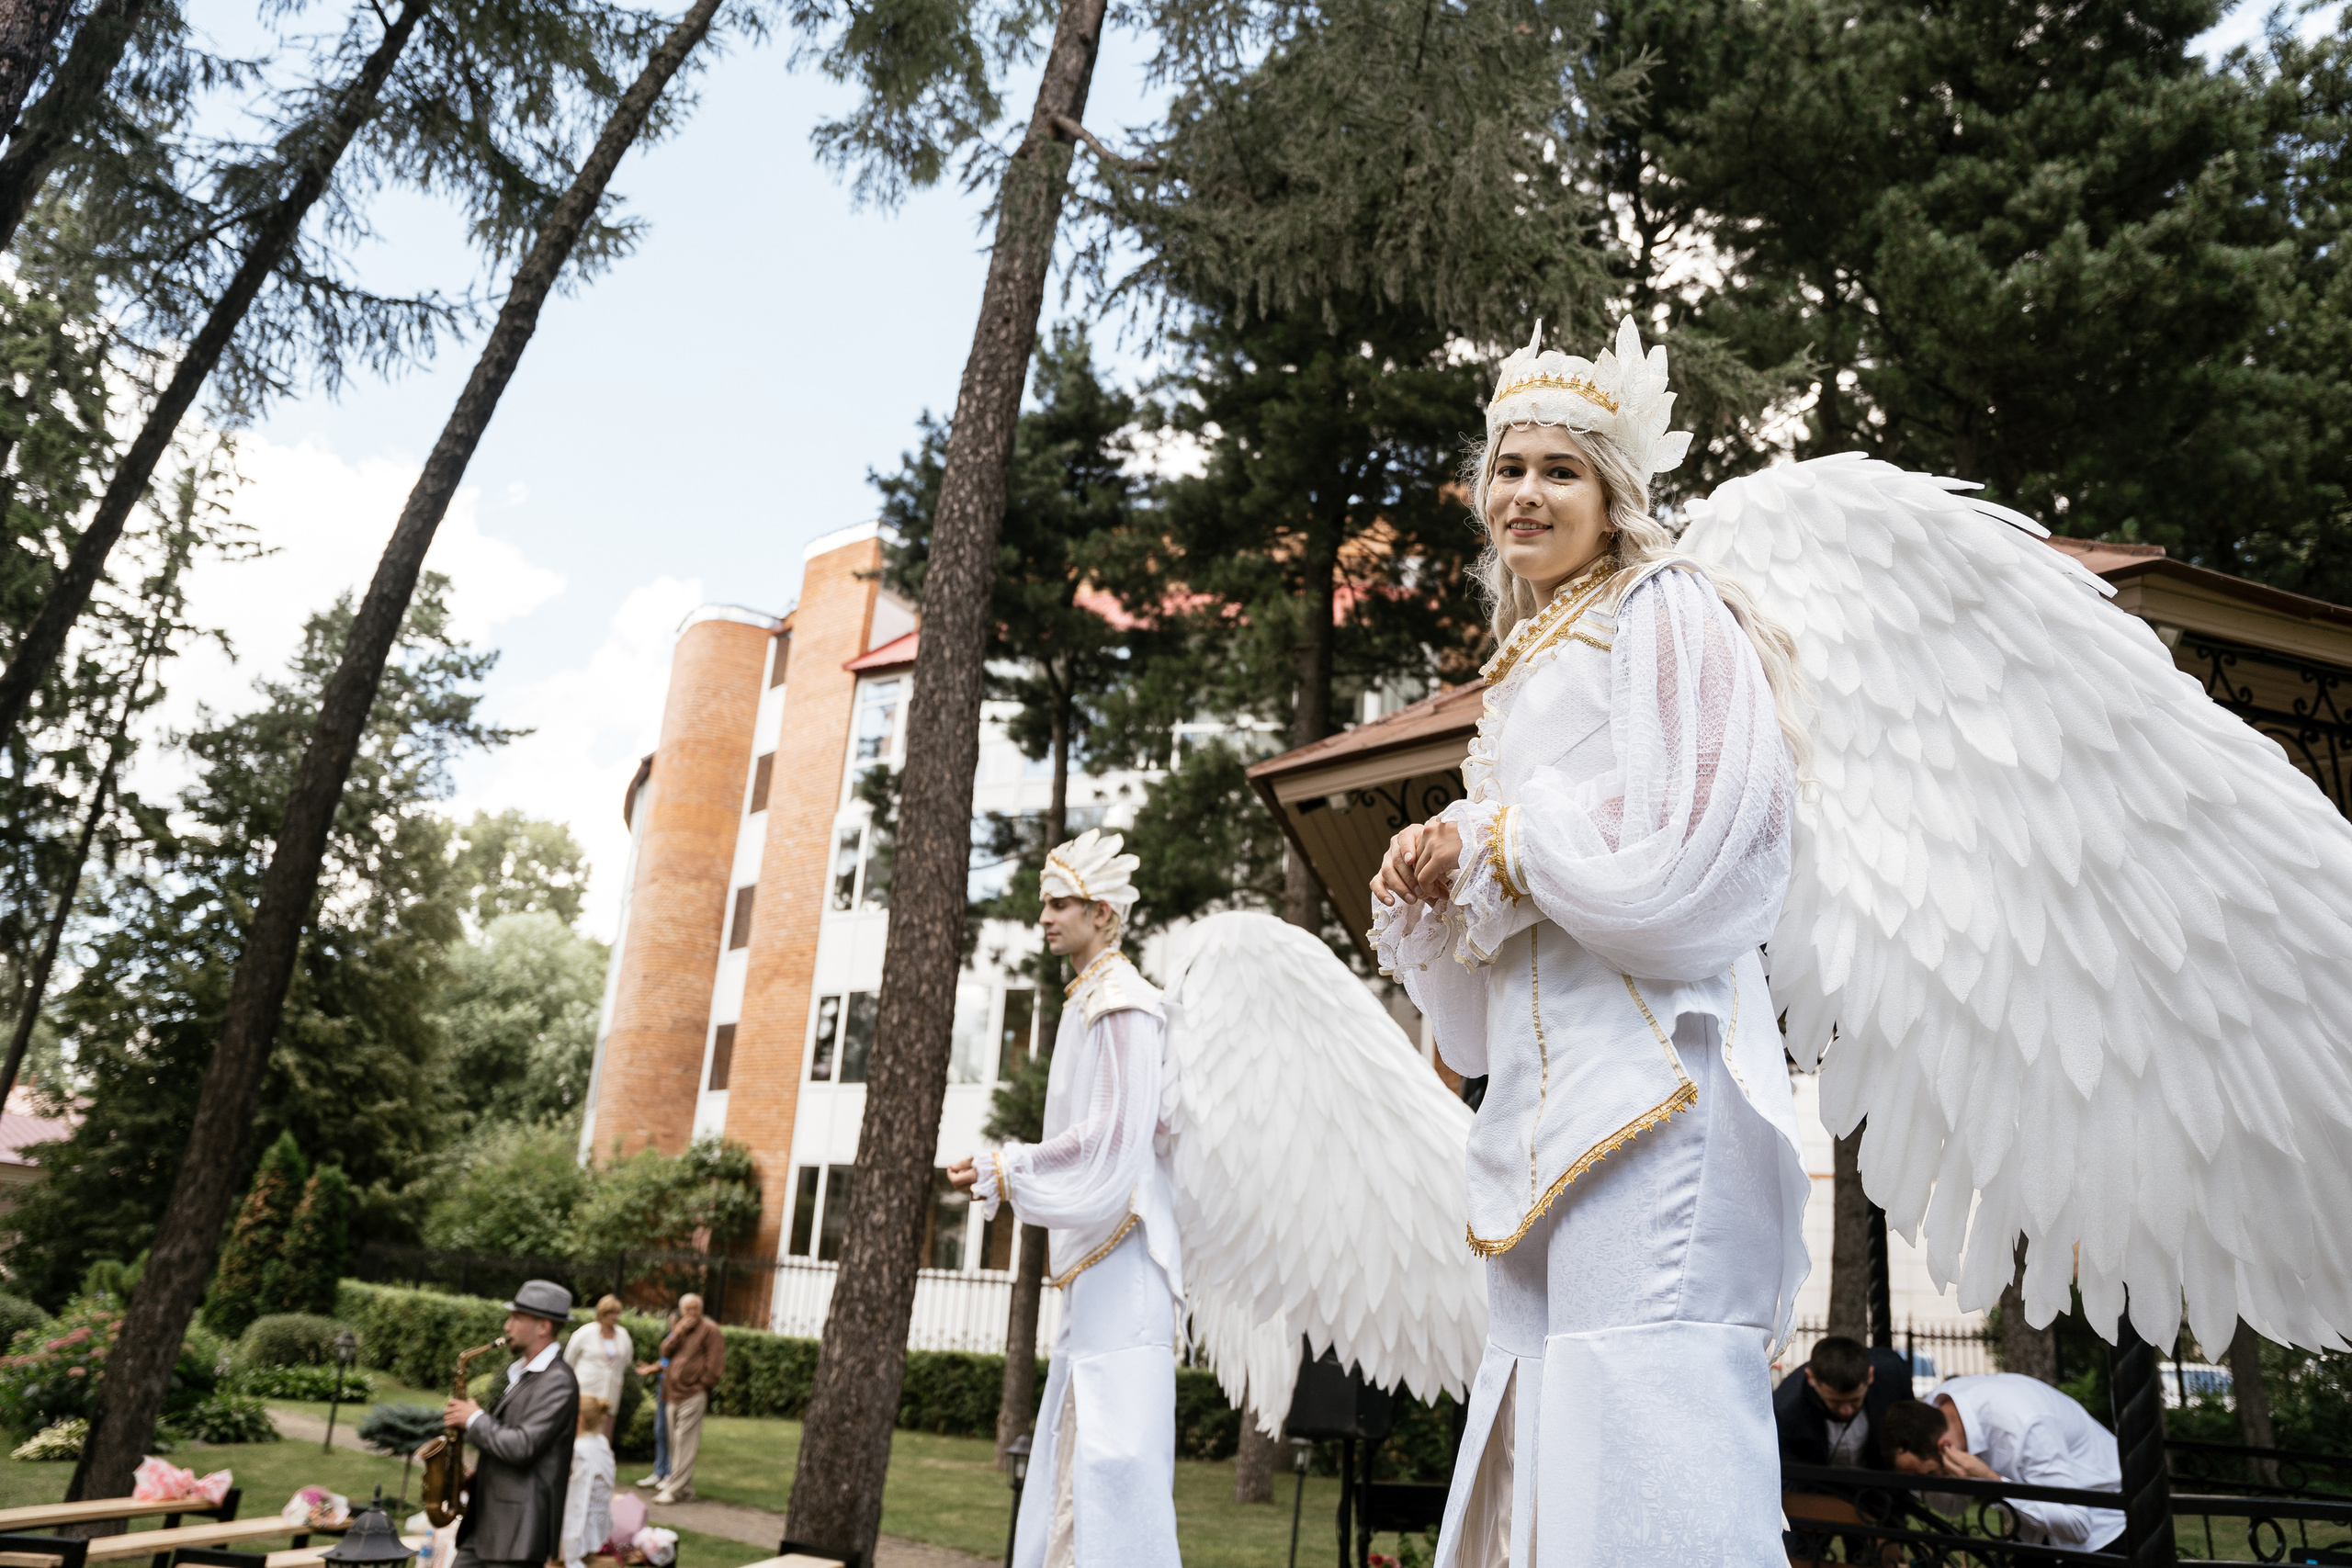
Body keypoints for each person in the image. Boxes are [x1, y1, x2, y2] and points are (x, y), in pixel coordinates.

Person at [1371, 320, 1814, 1567]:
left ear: (1613, 493)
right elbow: (1521, 898)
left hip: (1657, 1083)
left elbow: (1711, 831)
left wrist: (1498, 840)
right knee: (1551, 1417)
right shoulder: (1528, 658)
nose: (1526, 492)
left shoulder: (1662, 606)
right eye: (1508, 469)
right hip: (1548, 1102)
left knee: (1645, 1418)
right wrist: (1439, 868)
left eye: (1559, 469)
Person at [948, 829, 1183, 1568]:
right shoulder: (1096, 998)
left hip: (1128, 1253)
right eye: (1044, 902)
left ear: (1103, 915)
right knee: (1088, 1447)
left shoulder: (1120, 1001)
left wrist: (1009, 1164)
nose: (1045, 916)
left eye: (1061, 903)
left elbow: (1112, 1136)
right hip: (1108, 1261)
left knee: (1116, 1457)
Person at [1882, 1376, 2123, 1550]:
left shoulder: (2023, 1427)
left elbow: (2078, 1525)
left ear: (1945, 1447)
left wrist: (1992, 1482)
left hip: (2107, 1527)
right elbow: (1953, 1507)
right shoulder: (1937, 1411)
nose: (1927, 1486)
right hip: (2032, 1537)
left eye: (1931, 1475)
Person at [442, 1279, 582, 1568]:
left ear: (543, 1326)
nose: (507, 1326)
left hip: (517, 1535)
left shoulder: (559, 1381)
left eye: (516, 1318)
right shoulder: (526, 1374)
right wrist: (473, 1475)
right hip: (487, 1525)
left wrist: (474, 1419)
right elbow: (510, 1437)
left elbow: (522, 1446)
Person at [1775, 1336, 1912, 1471]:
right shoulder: (1785, 1409)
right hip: (1816, 1488)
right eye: (1835, 1402)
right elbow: (1789, 1477)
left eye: (1855, 1400)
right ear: (1811, 1379)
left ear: (1870, 1375)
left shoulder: (1894, 1375)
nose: (1847, 1410)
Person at [636, 1293, 721, 1506]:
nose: (692, 1313)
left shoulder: (710, 1330)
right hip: (671, 1393)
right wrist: (678, 1332)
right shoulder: (680, 1329)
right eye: (688, 1309)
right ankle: (685, 1489)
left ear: (701, 1310)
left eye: (696, 1309)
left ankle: (673, 1490)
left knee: (685, 1440)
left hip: (692, 1393)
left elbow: (715, 1363)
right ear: (681, 1311)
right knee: (675, 1443)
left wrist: (701, 1385)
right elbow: (665, 1351)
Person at [560, 1395, 616, 1568]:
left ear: (579, 1420)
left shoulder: (580, 1451)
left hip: (582, 1530)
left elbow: (577, 1501)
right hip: (598, 1527)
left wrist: (568, 1548)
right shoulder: (600, 1442)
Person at [564, 1296, 630, 1442]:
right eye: (611, 1313)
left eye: (617, 1313)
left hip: (610, 1394)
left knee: (604, 1438)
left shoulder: (623, 1335)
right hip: (586, 1393)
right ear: (602, 1313)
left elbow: (626, 1361)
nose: (615, 1317)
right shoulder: (584, 1333)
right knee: (580, 1435)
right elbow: (569, 1361)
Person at [631, 1304, 679, 1494]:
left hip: (674, 1393)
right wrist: (652, 1366)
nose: (670, 1325)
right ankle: (659, 1472)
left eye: (673, 1322)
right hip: (663, 1391)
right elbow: (665, 1361)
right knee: (660, 1431)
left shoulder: (681, 1340)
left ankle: (669, 1474)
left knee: (670, 1433)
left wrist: (651, 1369)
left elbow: (671, 1364)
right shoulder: (671, 1338)